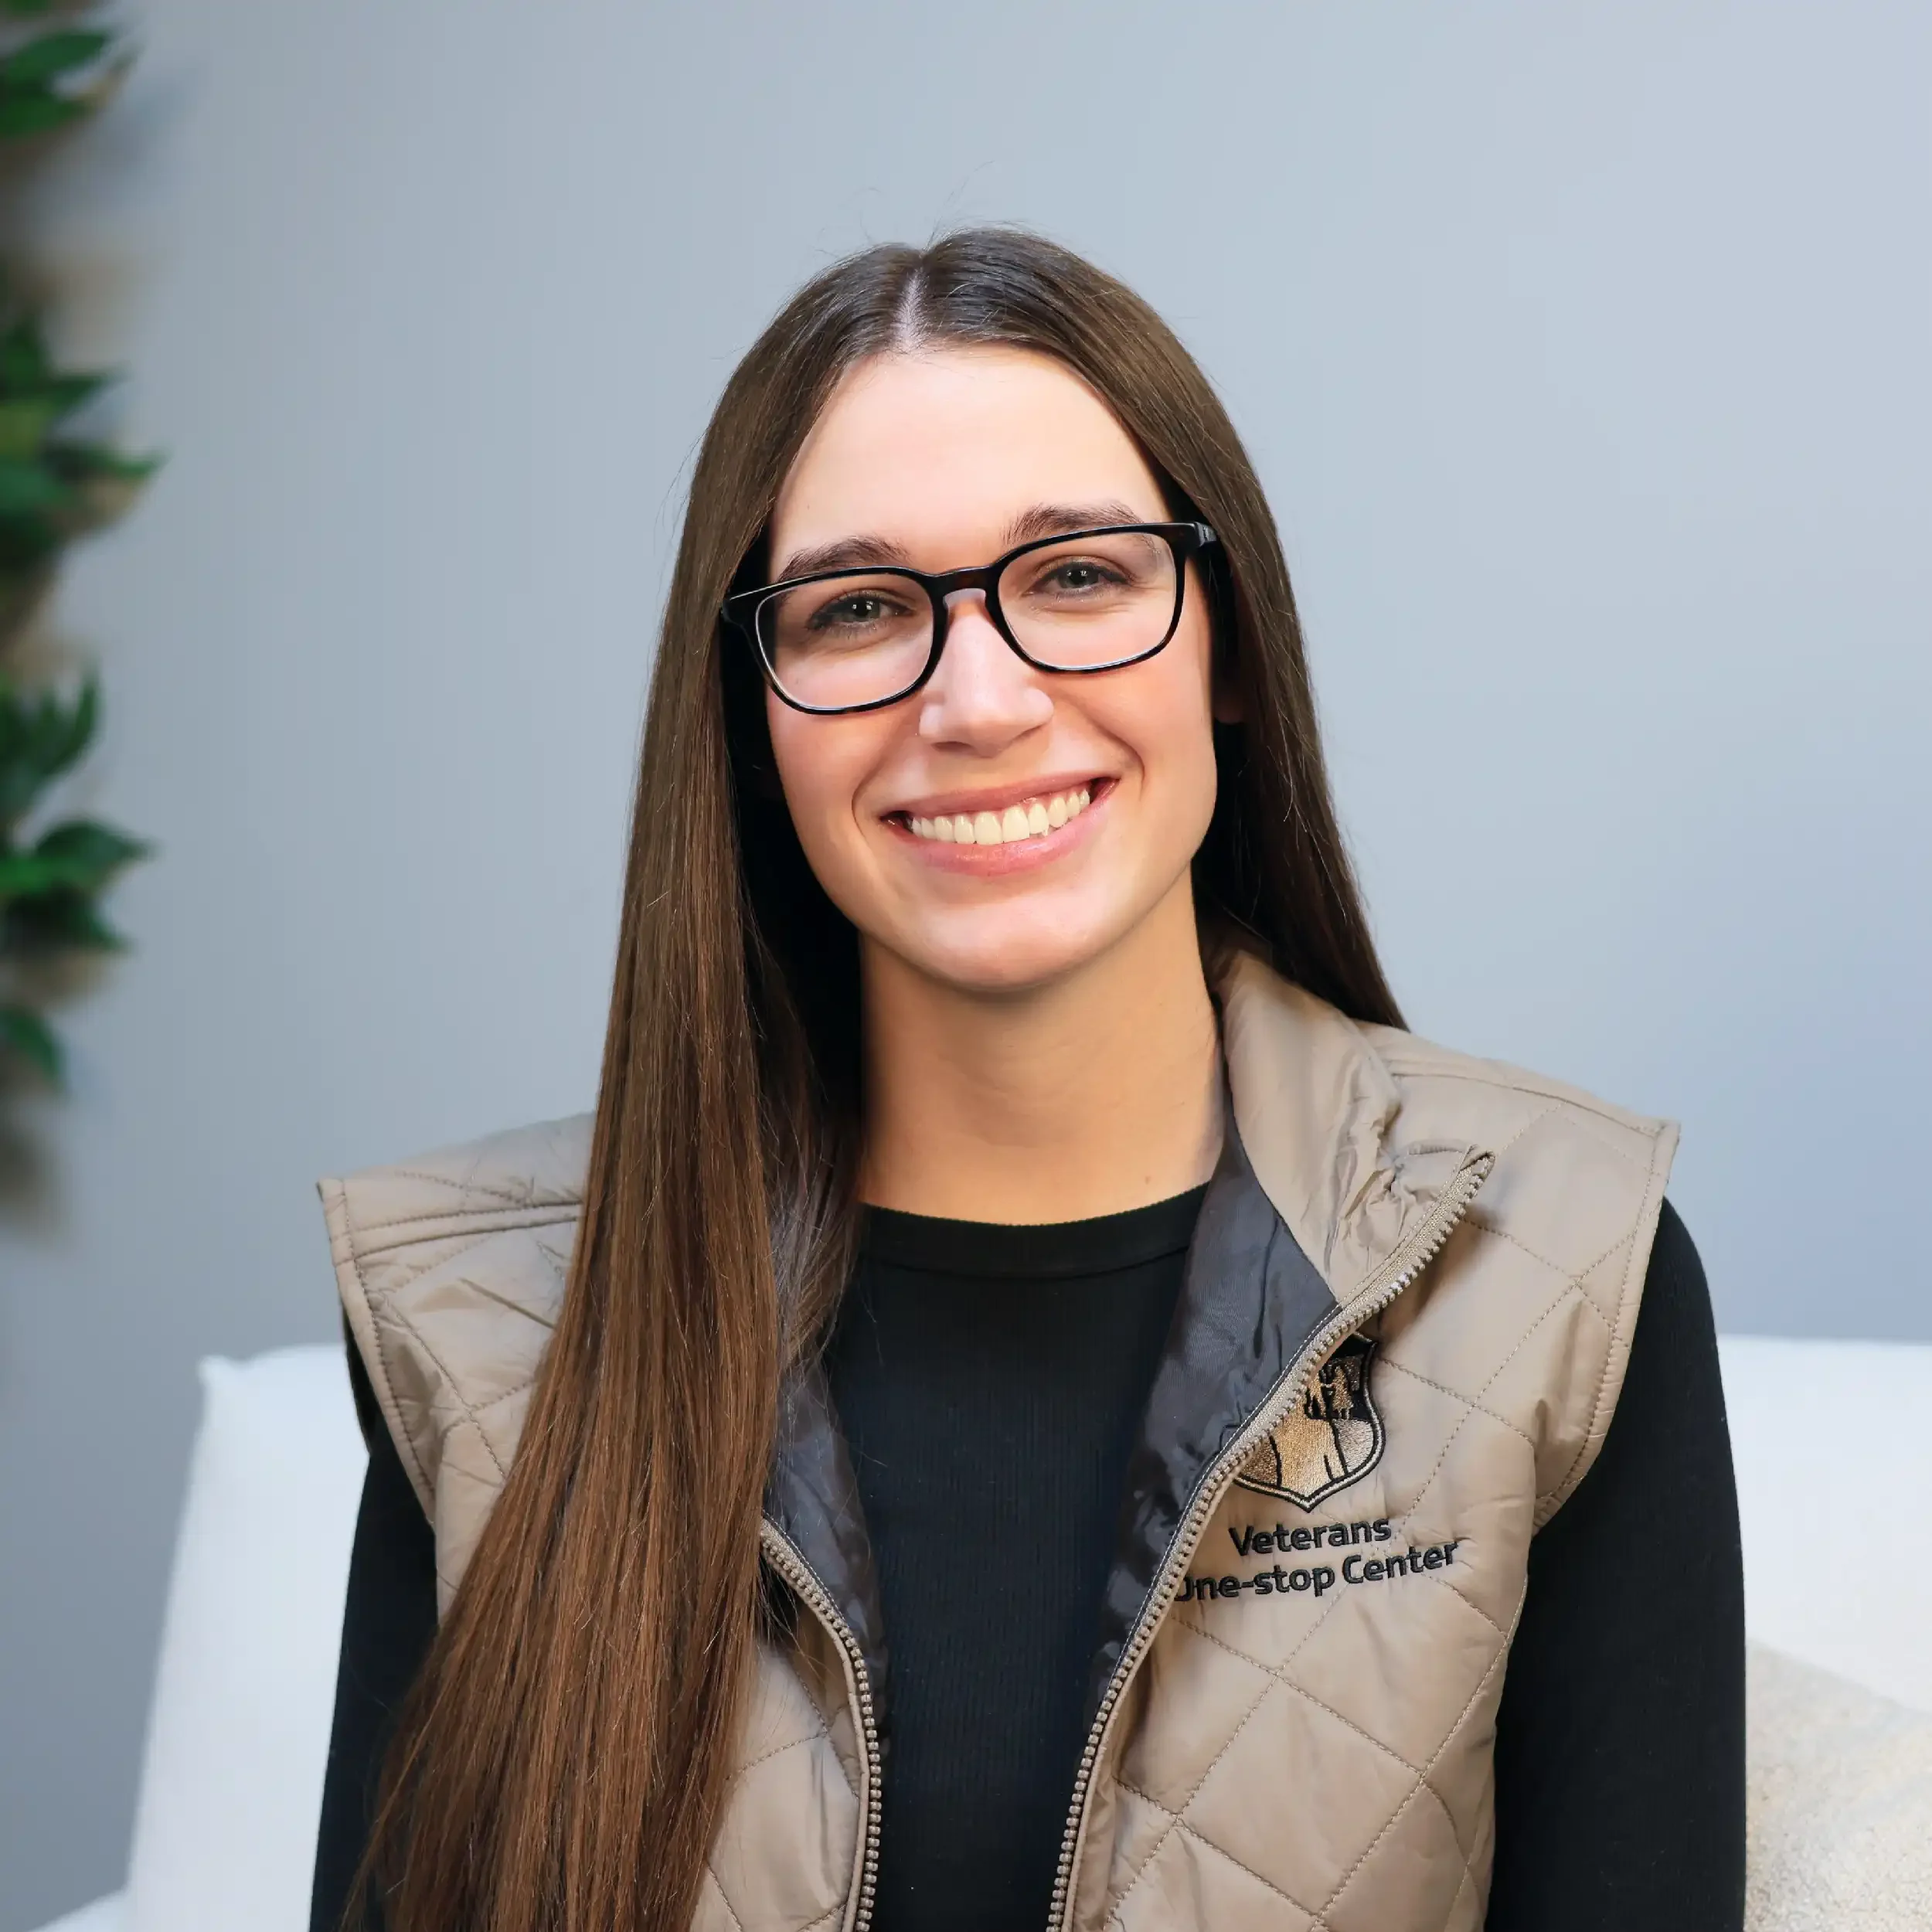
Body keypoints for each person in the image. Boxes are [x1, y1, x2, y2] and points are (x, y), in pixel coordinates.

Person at [309, 230, 1744, 1932]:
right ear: (751, 725)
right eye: (855, 608)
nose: (977, 699)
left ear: (1220, 644)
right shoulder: (480, 1331)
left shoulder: (1552, 1273)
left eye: (1074, 575)